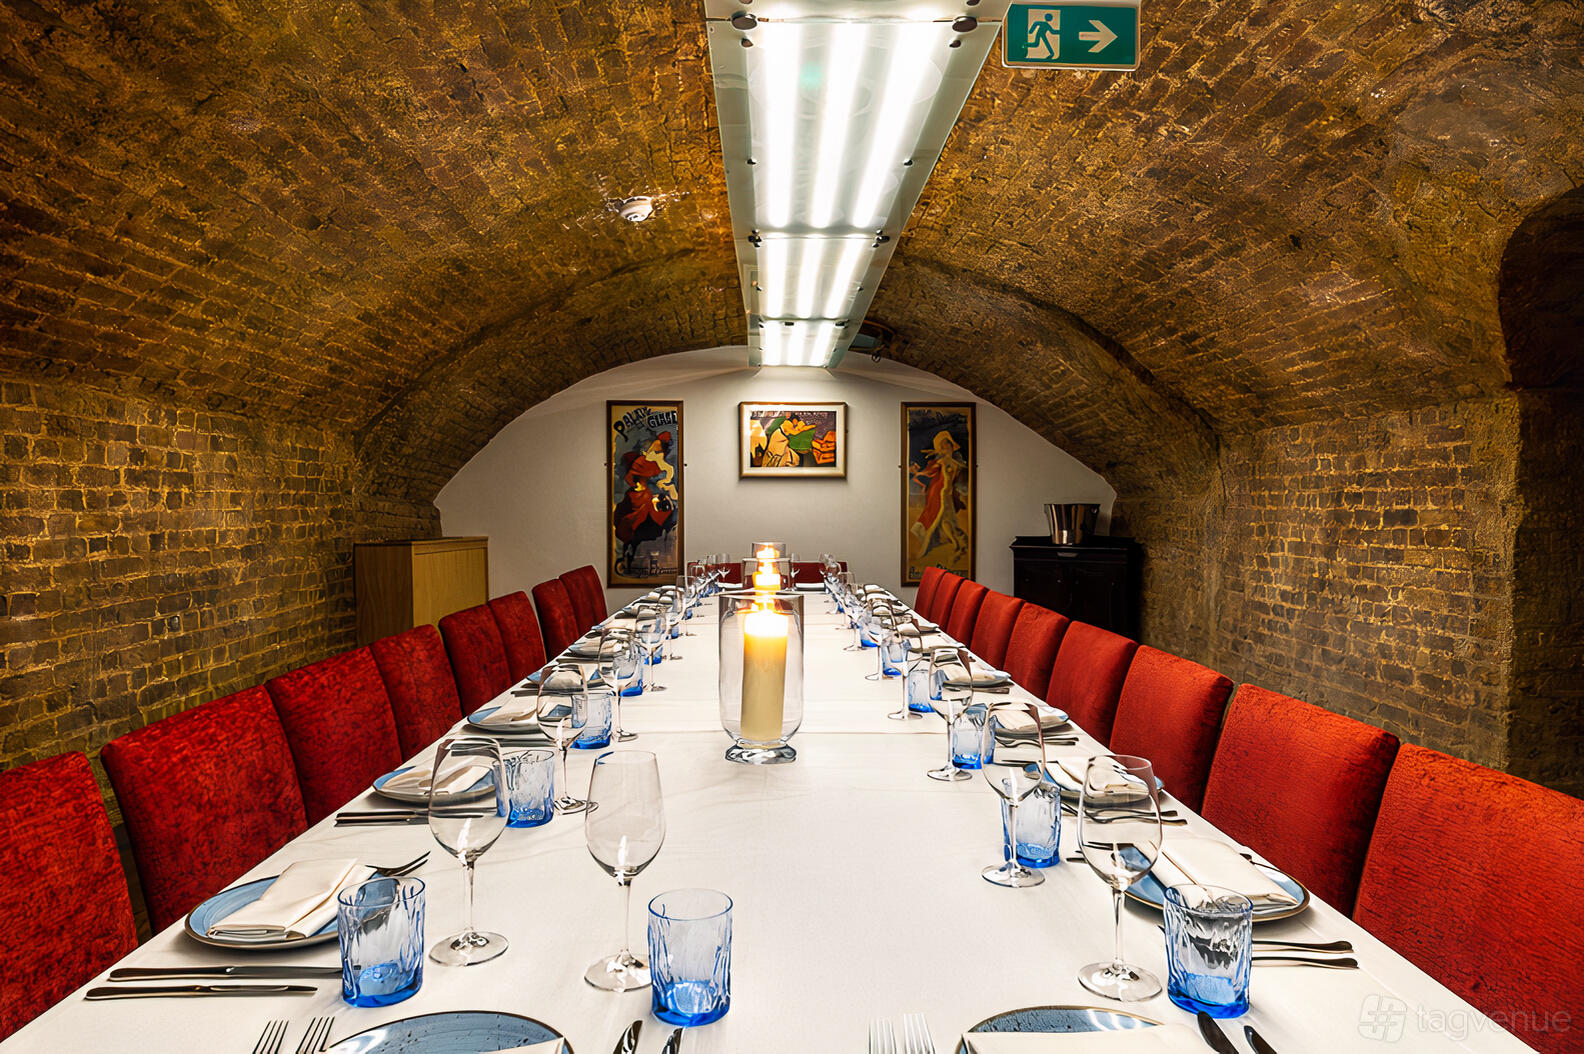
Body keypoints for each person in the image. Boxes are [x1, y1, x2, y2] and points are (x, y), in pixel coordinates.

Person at [613, 431, 678, 574]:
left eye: (656, 451)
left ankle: (633, 555)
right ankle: (629, 557)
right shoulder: (644, 467)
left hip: (650, 502)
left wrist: (666, 486)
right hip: (642, 500)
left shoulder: (663, 469)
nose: (650, 453)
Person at [910, 430, 969, 560]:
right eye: (941, 447)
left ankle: (957, 546)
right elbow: (930, 471)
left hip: (944, 497)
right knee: (945, 524)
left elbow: (959, 470)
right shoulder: (942, 461)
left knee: (941, 524)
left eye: (945, 446)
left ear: (951, 446)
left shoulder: (953, 462)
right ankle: (959, 545)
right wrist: (918, 473)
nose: (944, 449)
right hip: (940, 495)